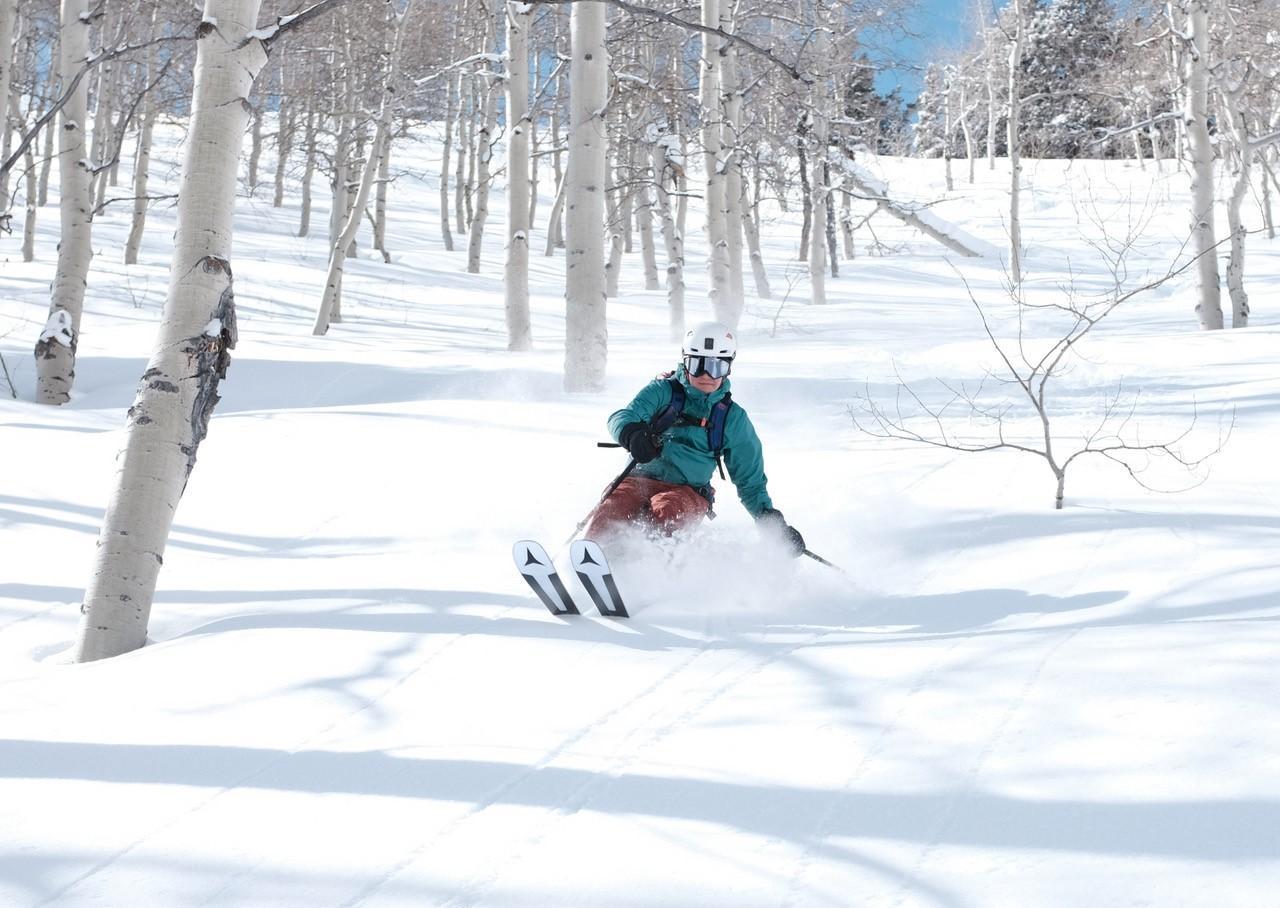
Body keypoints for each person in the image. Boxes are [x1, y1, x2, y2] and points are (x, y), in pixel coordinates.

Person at [583, 321, 806, 556]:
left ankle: (649, 569)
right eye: (697, 364)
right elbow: (623, 416)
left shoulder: (732, 419)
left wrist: (771, 524)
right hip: (639, 479)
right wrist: (633, 434)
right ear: (685, 362)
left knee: (667, 509)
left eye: (716, 367)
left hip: (687, 492)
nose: (706, 375)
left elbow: (750, 481)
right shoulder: (663, 392)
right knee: (613, 506)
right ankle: (592, 561)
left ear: (728, 368)